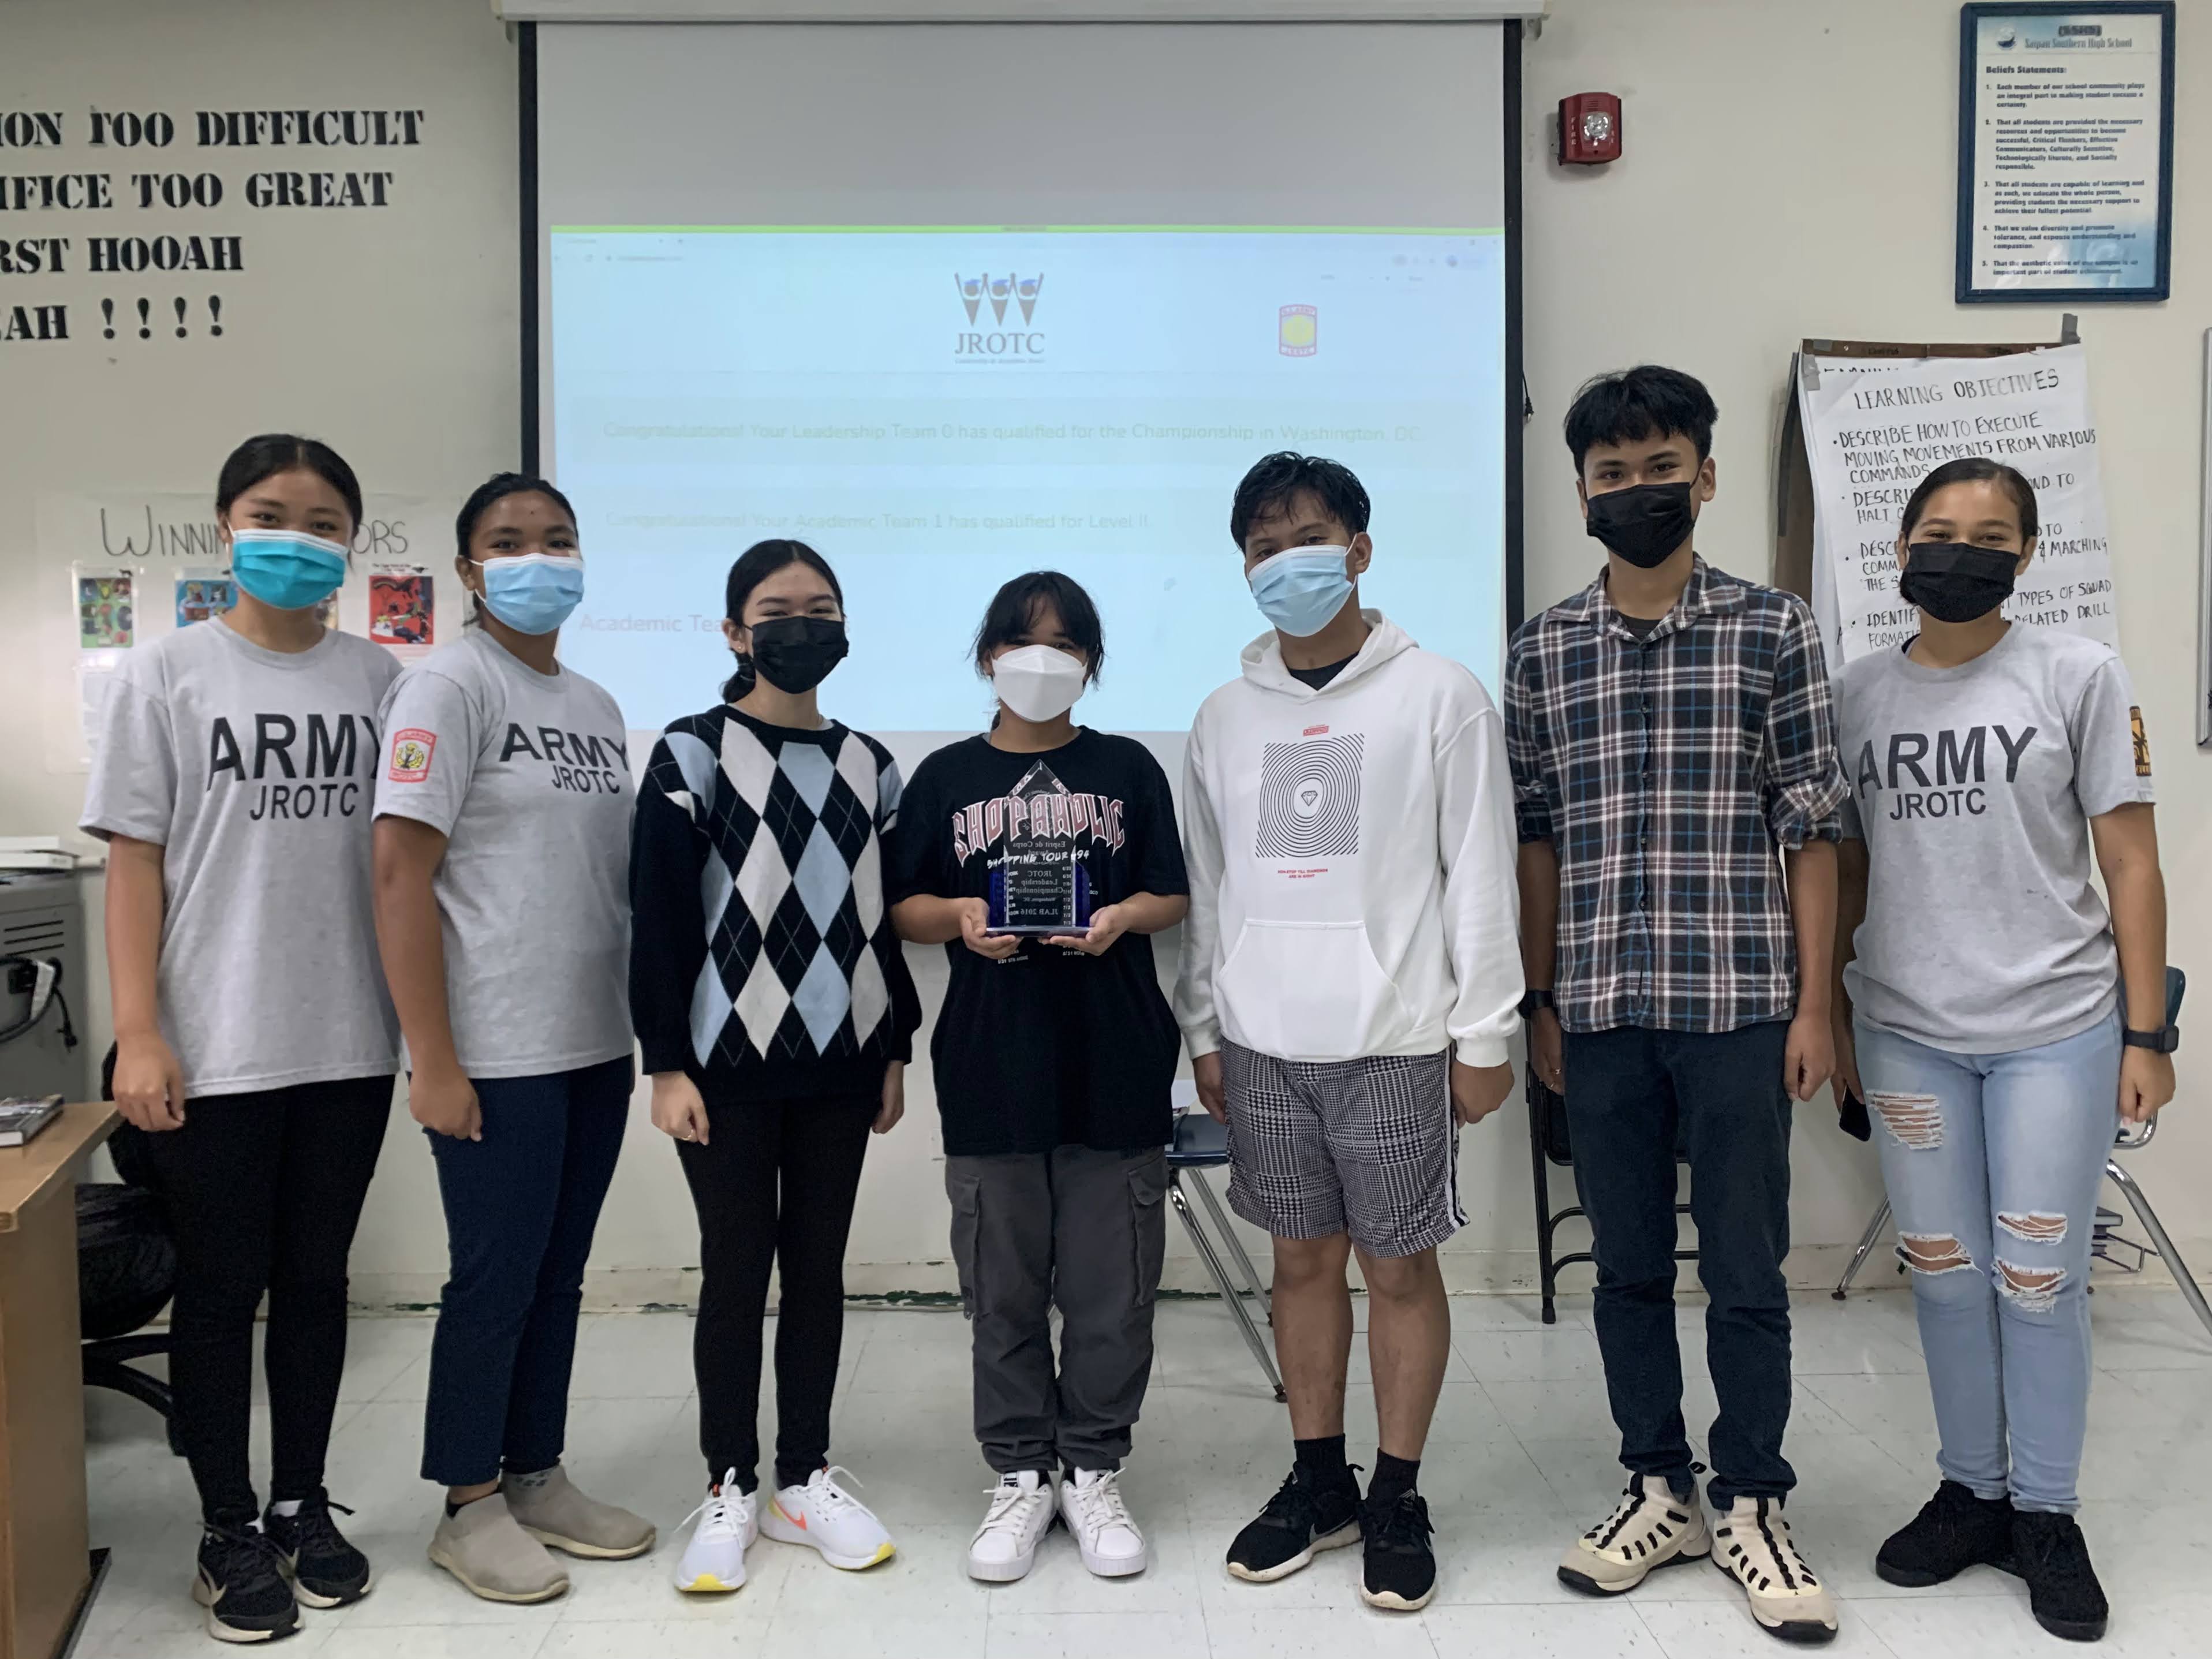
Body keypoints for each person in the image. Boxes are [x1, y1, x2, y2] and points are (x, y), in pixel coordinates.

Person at [1504, 367, 1848, 1643]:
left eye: (1660, 470)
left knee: (1748, 1271)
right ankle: (1657, 1487)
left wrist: (1814, 1007)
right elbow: (1534, 838)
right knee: (1627, 1270)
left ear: (1703, 478)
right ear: (1581, 490)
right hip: (1595, 1009)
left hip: (1741, 1003)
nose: (1636, 492)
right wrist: (1539, 1000)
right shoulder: (1541, 648)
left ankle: (1751, 1498)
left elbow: (1808, 827)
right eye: (1610, 474)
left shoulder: (1773, 630)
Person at [1831, 458, 2171, 1645]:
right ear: (1897, 551)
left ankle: (2046, 1514)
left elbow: (2128, 860)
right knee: (1938, 1271)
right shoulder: (1855, 694)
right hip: (1906, 1032)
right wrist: (1827, 1008)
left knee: (2037, 1282)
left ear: (2023, 556)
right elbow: (1849, 866)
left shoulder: (2075, 675)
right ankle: (1969, 1491)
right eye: (1935, 530)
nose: (1958, 550)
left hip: (2053, 1033)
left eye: (1986, 534)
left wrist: (2145, 1032)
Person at [1176, 452, 1521, 1613]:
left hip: (1395, 1040)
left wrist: (1486, 1032)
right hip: (1264, 1041)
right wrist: (1205, 1028)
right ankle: (1317, 1481)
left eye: (1309, 538)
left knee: (1399, 1266)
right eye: (1264, 548)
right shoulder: (1223, 716)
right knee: (1297, 1262)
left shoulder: (1440, 695)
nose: (1288, 563)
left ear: (1360, 550)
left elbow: (1476, 873)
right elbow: (1211, 887)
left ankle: (1397, 1492)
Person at [84, 434, 398, 1644]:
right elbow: (132, 865)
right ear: (226, 525)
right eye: (273, 513)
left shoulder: (379, 682)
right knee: (220, 1293)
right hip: (210, 1045)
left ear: (349, 547)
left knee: (317, 1286)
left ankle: (299, 1502)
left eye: (324, 520)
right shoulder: (165, 672)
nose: (297, 536)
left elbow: (401, 869)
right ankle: (224, 1529)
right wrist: (138, 1034)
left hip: (347, 1042)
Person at [372, 473, 653, 1604]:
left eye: (558, 540)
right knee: (493, 1280)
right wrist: (430, 1057)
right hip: (494, 1050)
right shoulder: (446, 685)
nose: (538, 559)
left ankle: (534, 1473)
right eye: (508, 542)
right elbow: (398, 870)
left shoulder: (589, 701)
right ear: (467, 569)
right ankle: (466, 1501)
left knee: (559, 1273)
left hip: (591, 1041)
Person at [630, 539, 921, 1593]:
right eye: (777, 606)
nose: (802, 623)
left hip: (844, 1063)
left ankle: (803, 1474)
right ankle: (729, 1482)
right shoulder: (692, 751)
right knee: (735, 1270)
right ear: (734, 631)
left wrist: (894, 1047)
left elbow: (880, 924)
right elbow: (659, 922)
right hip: (724, 1065)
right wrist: (666, 1063)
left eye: (822, 605)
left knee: (818, 1270)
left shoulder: (871, 763)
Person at [886, 572, 1188, 1585]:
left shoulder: (1130, 768)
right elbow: (903, 906)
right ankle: (1020, 1472)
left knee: (1113, 1290)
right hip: (988, 1064)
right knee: (1002, 1290)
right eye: (1025, 641)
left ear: (1091, 663)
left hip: (1117, 1058)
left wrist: (1121, 919)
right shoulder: (943, 780)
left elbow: (1171, 891)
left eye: (1067, 644)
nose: (1043, 659)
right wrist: (962, 919)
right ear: (988, 657)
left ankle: (1093, 1466)